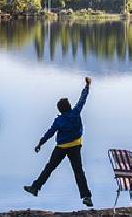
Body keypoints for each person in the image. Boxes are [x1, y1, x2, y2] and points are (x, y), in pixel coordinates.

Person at [23, 76, 93, 207]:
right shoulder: (76, 112)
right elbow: (83, 99)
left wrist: (40, 144)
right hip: (76, 145)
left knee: (49, 168)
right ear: (69, 106)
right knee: (78, 172)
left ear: (60, 110)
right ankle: (87, 197)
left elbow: (50, 133)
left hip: (61, 147)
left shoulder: (59, 121)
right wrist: (87, 86)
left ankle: (35, 188)